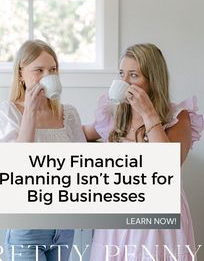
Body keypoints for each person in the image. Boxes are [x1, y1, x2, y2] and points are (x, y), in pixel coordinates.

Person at [83, 43, 203, 260]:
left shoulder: (179, 116)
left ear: (152, 80)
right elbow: (83, 133)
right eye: (122, 74)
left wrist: (148, 113)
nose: (125, 82)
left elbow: (168, 168)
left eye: (134, 75)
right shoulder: (114, 114)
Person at [0, 39, 86, 261]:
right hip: (27, 227)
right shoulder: (5, 113)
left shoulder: (68, 113)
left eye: (52, 70)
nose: (47, 76)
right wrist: (30, 112)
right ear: (21, 74)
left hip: (63, 229)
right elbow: (16, 169)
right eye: (38, 70)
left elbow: (80, 166)